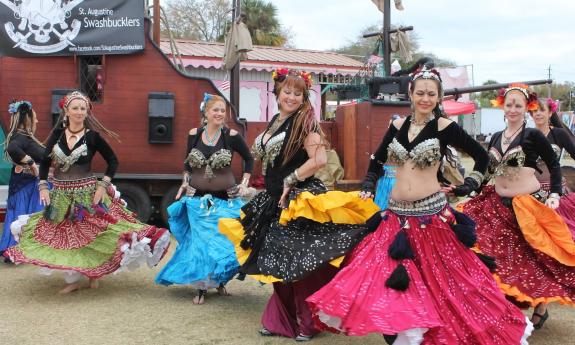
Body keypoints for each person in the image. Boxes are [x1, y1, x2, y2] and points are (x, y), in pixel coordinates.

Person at [306, 67, 532, 344]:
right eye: (420, 93)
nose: (425, 98)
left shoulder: (444, 127)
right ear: (410, 95)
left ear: (438, 98)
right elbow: (377, 160)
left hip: (430, 217)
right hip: (395, 217)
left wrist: (468, 185)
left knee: (441, 285)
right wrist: (368, 184)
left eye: (431, 94)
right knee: (383, 280)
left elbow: (481, 158)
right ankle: (399, 335)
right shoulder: (397, 125)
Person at [219, 68, 379, 341]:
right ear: (277, 93)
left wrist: (290, 179)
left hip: (298, 201)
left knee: (298, 264)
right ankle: (281, 319)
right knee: (276, 263)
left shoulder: (305, 122)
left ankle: (308, 321)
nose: (291, 97)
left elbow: (318, 161)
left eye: (298, 93)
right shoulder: (275, 121)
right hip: (273, 201)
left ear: (304, 97)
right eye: (287, 92)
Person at [5, 91, 170, 294]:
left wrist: (103, 185)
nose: (79, 112)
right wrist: (42, 187)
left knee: (95, 234)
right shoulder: (57, 136)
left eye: (83, 109)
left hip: (87, 195)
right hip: (61, 195)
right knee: (64, 236)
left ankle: (93, 274)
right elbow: (46, 161)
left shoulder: (93, 137)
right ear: (66, 111)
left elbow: (113, 161)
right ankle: (74, 278)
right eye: (75, 108)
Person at [460, 84, 575, 330]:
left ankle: (541, 307)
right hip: (495, 204)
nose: (513, 109)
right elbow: (488, 170)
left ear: (527, 108)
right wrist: (470, 188)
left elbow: (555, 165)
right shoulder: (495, 137)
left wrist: (554, 193)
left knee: (535, 260)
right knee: (491, 255)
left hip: (526, 206)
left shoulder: (532, 135)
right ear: (503, 106)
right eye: (509, 104)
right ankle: (501, 307)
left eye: (518, 105)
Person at [155, 94, 254, 305]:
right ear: (206, 112)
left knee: (224, 243)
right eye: (215, 110)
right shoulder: (194, 134)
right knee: (201, 245)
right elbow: (187, 164)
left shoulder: (232, 135)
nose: (219, 114)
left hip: (226, 199)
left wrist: (244, 183)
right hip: (197, 200)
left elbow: (249, 158)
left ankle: (219, 281)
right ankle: (201, 287)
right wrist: (184, 181)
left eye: (222, 110)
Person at [0, 101, 45, 259]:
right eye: (35, 118)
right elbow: (12, 148)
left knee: (22, 216)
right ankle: (16, 251)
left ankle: (18, 250)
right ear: (27, 119)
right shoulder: (21, 137)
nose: (37, 121)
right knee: (21, 215)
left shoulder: (23, 136)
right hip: (25, 185)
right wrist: (32, 164)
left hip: (26, 184)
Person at [374, 114, 400, 210]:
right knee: (381, 207)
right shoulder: (386, 142)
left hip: (397, 181)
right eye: (389, 125)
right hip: (384, 180)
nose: (390, 127)